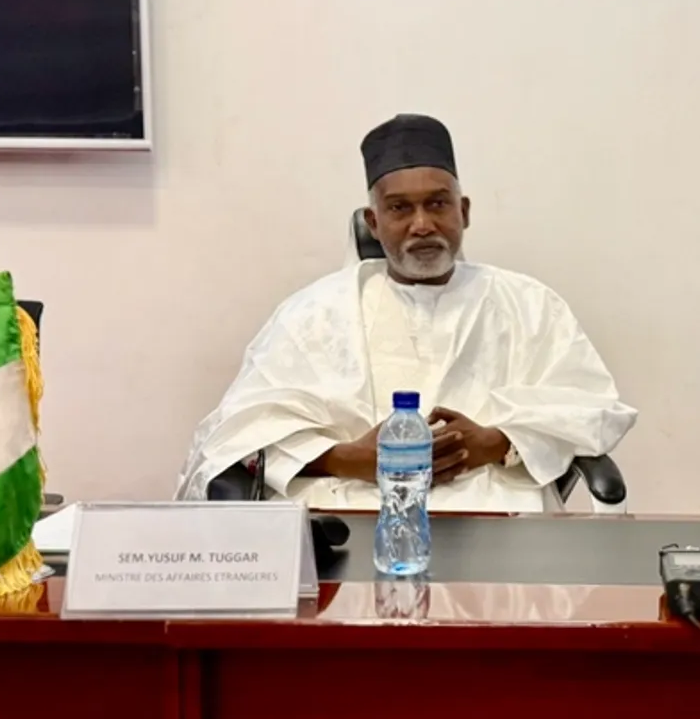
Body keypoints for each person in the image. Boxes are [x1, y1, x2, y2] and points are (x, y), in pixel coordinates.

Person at [178, 113, 636, 512]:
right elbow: (240, 434)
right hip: (350, 510)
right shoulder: (314, 313)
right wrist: (347, 458)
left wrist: (496, 443)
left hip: (494, 509)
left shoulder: (530, 305)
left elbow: (591, 409)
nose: (422, 225)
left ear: (464, 212)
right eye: (399, 208)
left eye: (438, 204)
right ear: (373, 222)